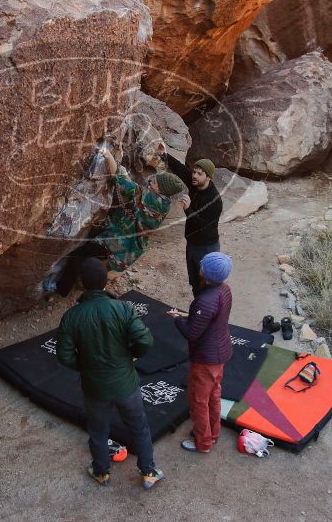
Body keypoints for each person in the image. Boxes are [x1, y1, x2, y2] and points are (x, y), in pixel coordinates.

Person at [56, 257, 165, 489]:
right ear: (106, 281)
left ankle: (101, 472)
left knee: (98, 430)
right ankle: (148, 471)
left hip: (95, 387)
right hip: (126, 383)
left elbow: (64, 355)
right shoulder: (123, 308)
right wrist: (130, 356)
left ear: (82, 283)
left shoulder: (71, 317)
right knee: (139, 427)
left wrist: (85, 366)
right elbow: (145, 341)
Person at [51, 148, 189, 297]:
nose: (150, 182)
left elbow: (122, 180)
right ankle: (95, 290)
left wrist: (108, 154)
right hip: (130, 247)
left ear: (161, 190)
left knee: (78, 256)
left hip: (117, 244)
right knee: (93, 261)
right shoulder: (164, 203)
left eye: (154, 183)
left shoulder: (148, 199)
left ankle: (61, 289)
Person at [167, 252, 233, 453]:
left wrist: (177, 319)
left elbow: (192, 333)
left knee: (198, 400)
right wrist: (188, 315)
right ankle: (213, 433)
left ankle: (203, 443)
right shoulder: (225, 289)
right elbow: (212, 317)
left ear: (205, 272)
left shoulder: (205, 300)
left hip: (206, 358)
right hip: (221, 351)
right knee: (214, 394)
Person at [163, 150, 223, 297]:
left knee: (207, 284)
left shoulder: (214, 200)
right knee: (195, 283)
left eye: (199, 173)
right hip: (192, 244)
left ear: (208, 177)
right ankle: (198, 312)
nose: (194, 176)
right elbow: (180, 169)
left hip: (206, 247)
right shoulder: (195, 184)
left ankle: (206, 313)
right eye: (194, 172)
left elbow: (202, 226)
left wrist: (188, 208)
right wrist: (163, 154)